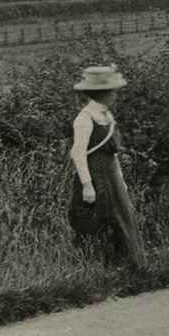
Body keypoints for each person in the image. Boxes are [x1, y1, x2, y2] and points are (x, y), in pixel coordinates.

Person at [67, 65, 149, 269]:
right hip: (94, 178)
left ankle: (129, 269)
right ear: (102, 93)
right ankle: (97, 270)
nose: (115, 95)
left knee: (123, 218)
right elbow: (78, 153)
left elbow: (113, 154)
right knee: (96, 223)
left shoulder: (106, 116)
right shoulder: (85, 118)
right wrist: (87, 185)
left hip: (111, 178)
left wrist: (120, 180)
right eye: (112, 91)